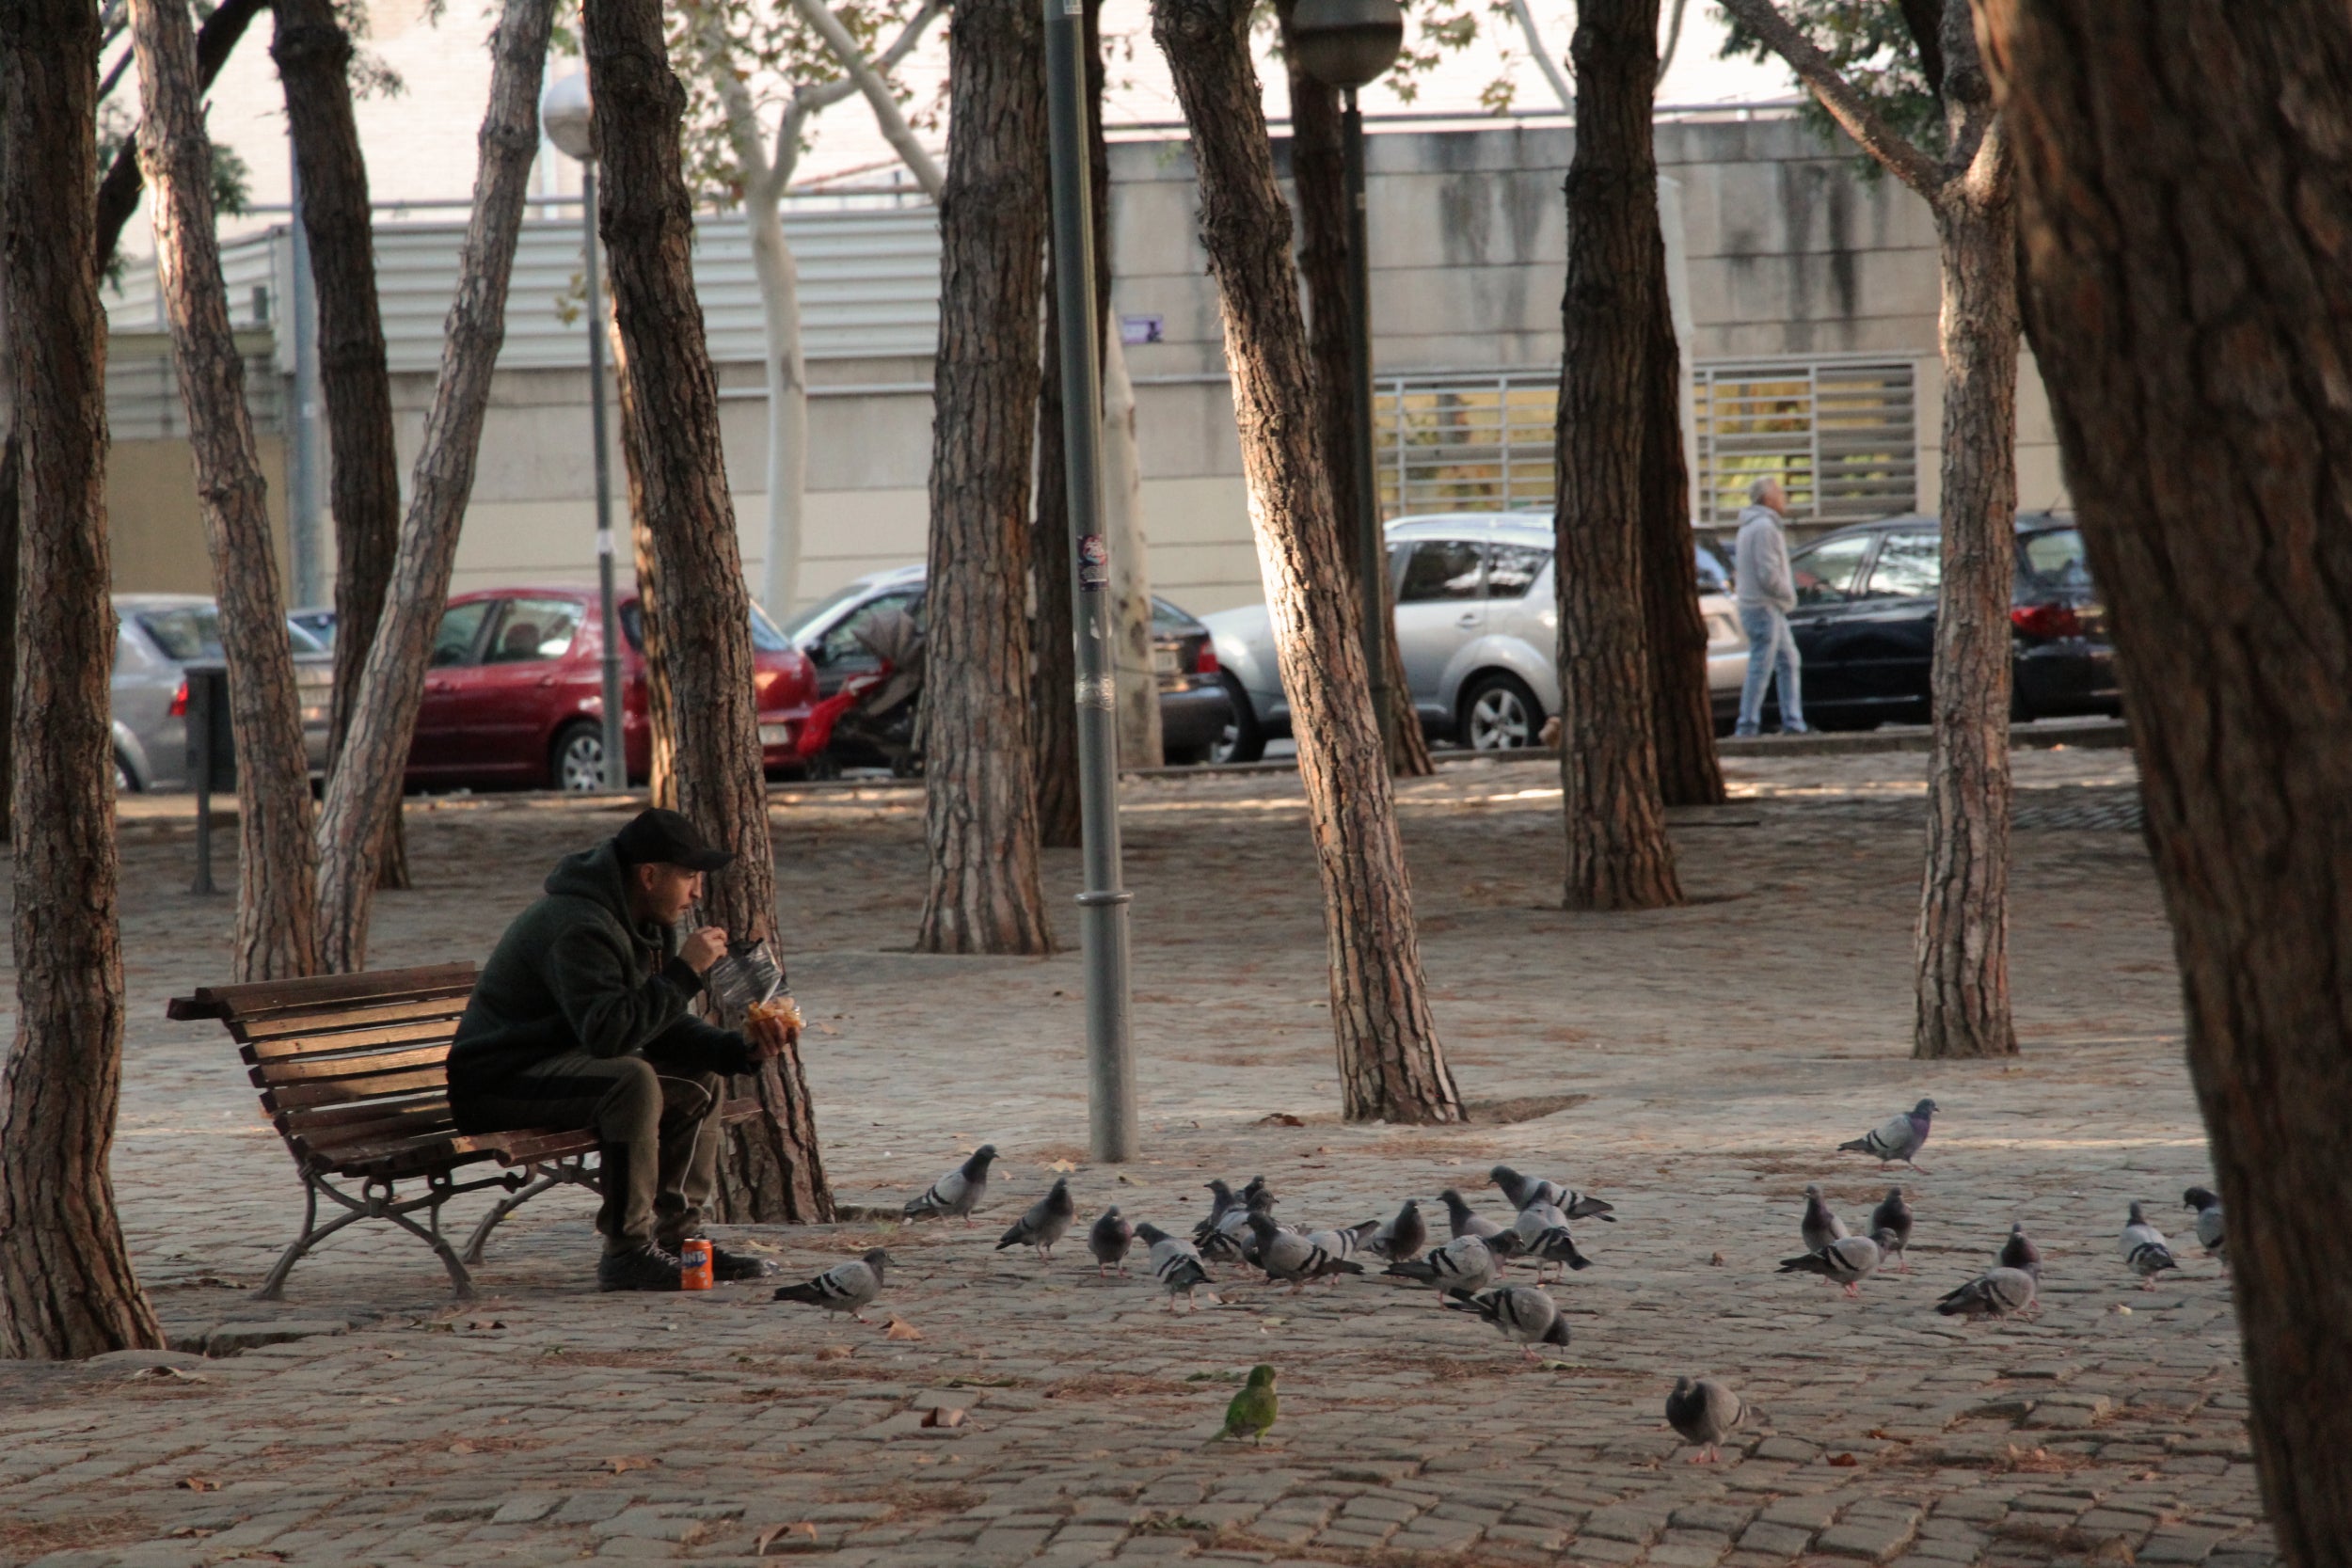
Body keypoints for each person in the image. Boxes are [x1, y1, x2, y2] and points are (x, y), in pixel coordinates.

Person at [448, 807, 795, 1291]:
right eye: (690, 877)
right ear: (649, 875)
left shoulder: (640, 920)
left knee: (701, 1081)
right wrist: (684, 972)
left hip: (560, 1067)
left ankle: (678, 1241)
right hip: (497, 1080)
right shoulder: (580, 925)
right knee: (631, 1079)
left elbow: (658, 1022)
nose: (697, 893)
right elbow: (610, 1036)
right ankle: (626, 1252)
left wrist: (741, 1051)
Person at [1732, 475, 1808, 736]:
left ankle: (1793, 722)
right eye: (1779, 492)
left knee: (1788, 660)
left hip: (1765, 606)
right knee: (1762, 666)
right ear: (1767, 498)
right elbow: (1768, 573)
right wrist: (1789, 594)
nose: (1783, 497)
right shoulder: (1764, 527)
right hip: (1764, 607)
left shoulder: (1752, 525)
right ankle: (1747, 726)